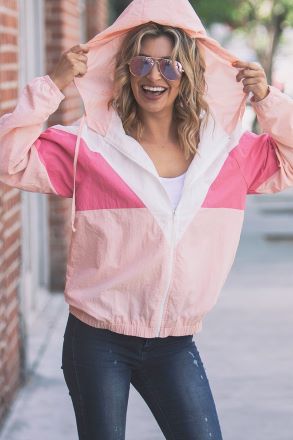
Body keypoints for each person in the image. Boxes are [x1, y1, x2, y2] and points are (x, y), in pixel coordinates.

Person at [0, 0, 292, 439]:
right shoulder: (89, 147)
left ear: (189, 74)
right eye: (143, 63)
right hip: (97, 341)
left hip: (174, 344)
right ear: (127, 71)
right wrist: (51, 86)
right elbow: (9, 158)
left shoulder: (229, 154)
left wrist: (269, 101)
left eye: (170, 66)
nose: (155, 76)